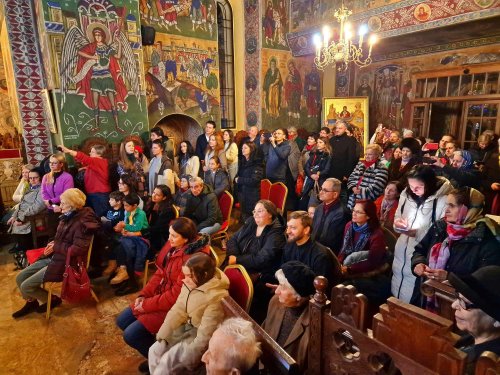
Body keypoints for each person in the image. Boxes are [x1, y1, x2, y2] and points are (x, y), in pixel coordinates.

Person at [116, 217, 210, 371]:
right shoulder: (175, 246)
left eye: (173, 236)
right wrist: (144, 295)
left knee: (131, 335)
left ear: (185, 239)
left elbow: (176, 296)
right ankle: (155, 351)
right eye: (169, 234)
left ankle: (163, 363)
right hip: (161, 296)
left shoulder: (193, 261)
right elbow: (161, 273)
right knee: (122, 320)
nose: (169, 239)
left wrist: (145, 305)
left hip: (178, 307)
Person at [12, 188, 99, 318]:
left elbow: (77, 249)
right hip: (57, 257)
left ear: (73, 204)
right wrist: (52, 244)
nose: (60, 205)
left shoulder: (82, 222)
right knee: (19, 278)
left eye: (63, 203)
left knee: (26, 286)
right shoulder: (68, 216)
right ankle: (31, 302)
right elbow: (61, 238)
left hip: (69, 263)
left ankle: (52, 299)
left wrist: (56, 246)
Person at [411, 187, 500, 307]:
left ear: (468, 210)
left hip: (456, 309)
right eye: (447, 205)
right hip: (424, 298)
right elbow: (420, 249)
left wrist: (450, 278)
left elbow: (485, 283)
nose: (446, 210)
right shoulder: (441, 226)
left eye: (452, 206)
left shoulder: (486, 240)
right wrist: (418, 263)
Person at [148, 253, 229, 374]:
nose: (184, 279)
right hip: (186, 327)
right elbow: (178, 308)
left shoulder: (216, 297)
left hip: (197, 335)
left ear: (204, 275)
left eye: (189, 276)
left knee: (166, 364)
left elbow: (205, 334)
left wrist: (191, 357)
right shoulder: (192, 283)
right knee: (153, 350)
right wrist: (165, 332)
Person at [391, 165, 452, 303]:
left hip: (422, 253)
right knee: (397, 285)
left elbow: (441, 231)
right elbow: (397, 217)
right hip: (402, 247)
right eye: (411, 186)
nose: (414, 190)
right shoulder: (406, 195)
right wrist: (398, 225)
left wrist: (417, 232)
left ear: (429, 184)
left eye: (418, 186)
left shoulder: (443, 200)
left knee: (414, 292)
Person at [226, 200, 286, 322]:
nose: (255, 214)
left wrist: (237, 259)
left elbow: (262, 259)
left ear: (270, 214)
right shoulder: (251, 223)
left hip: (261, 273)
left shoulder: (276, 234)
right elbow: (233, 240)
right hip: (240, 266)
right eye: (254, 211)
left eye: (260, 211)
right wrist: (234, 256)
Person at [263, 261, 316, 373]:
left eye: (282, 287)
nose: (276, 291)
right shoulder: (275, 302)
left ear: (299, 296)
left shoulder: (314, 324)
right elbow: (263, 335)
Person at [448, 266, 500, 374]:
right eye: (457, 297)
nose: (453, 305)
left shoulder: (488, 366)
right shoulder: (469, 338)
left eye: (465, 303)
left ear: (496, 320)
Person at [339, 200, 390, 305]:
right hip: (348, 263)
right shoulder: (349, 225)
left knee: (344, 289)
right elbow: (343, 249)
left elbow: (373, 261)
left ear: (368, 216)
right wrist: (339, 263)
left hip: (366, 272)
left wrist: (350, 269)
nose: (354, 214)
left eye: (358, 212)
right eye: (354, 210)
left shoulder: (377, 234)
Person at [282, 211, 341, 289]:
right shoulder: (289, 246)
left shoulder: (320, 255)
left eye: (293, 228)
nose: (288, 231)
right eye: (288, 227)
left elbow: (319, 288)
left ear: (306, 230)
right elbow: (283, 270)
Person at [109, 193, 149, 295]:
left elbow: (137, 228)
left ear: (135, 206)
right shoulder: (127, 212)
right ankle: (123, 269)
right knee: (115, 242)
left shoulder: (141, 214)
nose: (125, 207)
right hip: (131, 234)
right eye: (124, 205)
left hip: (142, 236)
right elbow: (127, 224)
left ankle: (125, 271)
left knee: (123, 246)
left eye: (127, 205)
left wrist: (124, 226)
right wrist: (122, 229)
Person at [7, 168, 46, 268]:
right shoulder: (30, 188)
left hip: (32, 219)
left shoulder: (42, 189)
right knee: (14, 227)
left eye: (35, 178)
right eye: (30, 178)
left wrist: (21, 218)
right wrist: (13, 216)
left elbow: (37, 207)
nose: (32, 180)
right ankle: (24, 258)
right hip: (23, 216)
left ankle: (29, 261)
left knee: (21, 231)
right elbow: (21, 204)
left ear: (40, 178)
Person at [59, 144, 111, 217]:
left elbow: (84, 158)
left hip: (99, 195)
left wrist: (68, 151)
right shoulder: (96, 163)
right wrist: (85, 168)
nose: (90, 153)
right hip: (94, 194)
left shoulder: (99, 161)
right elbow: (83, 160)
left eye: (92, 152)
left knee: (102, 218)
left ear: (99, 154)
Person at [311, 178, 349, 254]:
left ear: (335, 194)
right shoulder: (319, 208)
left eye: (325, 190)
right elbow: (313, 230)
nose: (320, 192)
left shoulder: (342, 213)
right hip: (314, 248)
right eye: (321, 189)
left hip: (327, 253)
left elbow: (331, 240)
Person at [347, 144, 388, 211]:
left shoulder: (382, 168)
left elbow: (377, 186)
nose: (366, 156)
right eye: (366, 154)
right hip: (353, 198)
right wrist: (353, 187)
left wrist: (360, 192)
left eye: (370, 154)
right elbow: (351, 178)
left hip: (368, 200)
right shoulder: (360, 164)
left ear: (377, 155)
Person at [41, 153, 74, 235]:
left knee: (65, 233)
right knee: (53, 233)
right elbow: (43, 192)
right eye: (50, 162)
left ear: (61, 164)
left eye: (54, 163)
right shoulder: (46, 176)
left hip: (64, 207)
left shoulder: (67, 177)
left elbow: (66, 194)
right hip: (51, 207)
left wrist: (53, 202)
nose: (51, 164)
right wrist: (52, 205)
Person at [328, 121, 359, 204]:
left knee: (342, 196)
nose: (337, 130)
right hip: (331, 172)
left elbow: (351, 158)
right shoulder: (331, 140)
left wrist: (347, 174)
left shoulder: (350, 141)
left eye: (340, 128)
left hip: (343, 174)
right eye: (336, 128)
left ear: (345, 129)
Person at [300, 136, 331, 209]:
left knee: (316, 202)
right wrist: (311, 175)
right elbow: (307, 166)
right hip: (310, 180)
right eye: (317, 142)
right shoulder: (314, 154)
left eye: (321, 142)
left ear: (325, 144)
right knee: (304, 198)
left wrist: (318, 174)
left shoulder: (328, 156)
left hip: (319, 181)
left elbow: (327, 170)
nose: (318, 144)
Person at [235, 141, 264, 221]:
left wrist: (240, 180)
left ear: (251, 149)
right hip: (242, 193)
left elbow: (254, 180)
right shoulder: (243, 161)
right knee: (244, 217)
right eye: (242, 148)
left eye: (245, 148)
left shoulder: (257, 163)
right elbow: (239, 174)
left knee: (250, 218)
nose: (242, 150)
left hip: (251, 195)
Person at [145, 185, 176, 254]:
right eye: (153, 193)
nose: (153, 196)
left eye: (157, 195)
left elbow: (157, 228)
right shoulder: (152, 204)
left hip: (159, 237)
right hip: (150, 232)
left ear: (164, 197)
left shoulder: (168, 210)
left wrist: (140, 232)